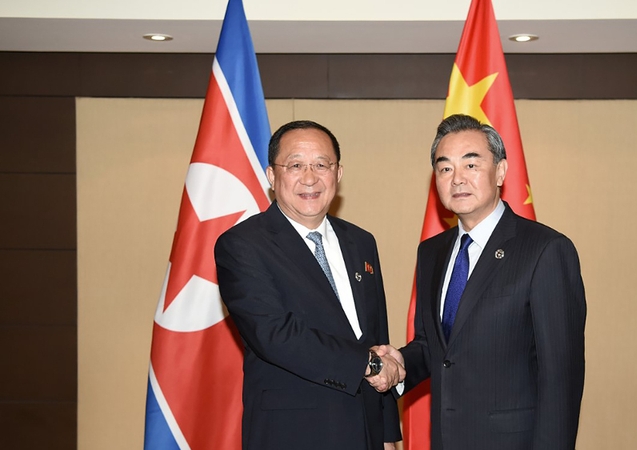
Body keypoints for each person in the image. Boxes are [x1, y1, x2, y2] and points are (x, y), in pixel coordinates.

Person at [374, 114, 586, 449]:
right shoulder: (432, 252)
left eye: (471, 165)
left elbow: (561, 379)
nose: (457, 179)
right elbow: (436, 348)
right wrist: (398, 366)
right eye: (445, 168)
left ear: (500, 171)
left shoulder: (545, 250)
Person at [215, 120, 403, 450]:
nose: (310, 178)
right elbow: (275, 335)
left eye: (321, 165)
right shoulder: (243, 245)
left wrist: (387, 435)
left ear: (338, 174)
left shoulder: (361, 242)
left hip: (366, 434)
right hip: (293, 433)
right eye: (296, 165)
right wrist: (368, 364)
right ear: (272, 176)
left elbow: (376, 335)